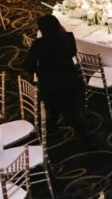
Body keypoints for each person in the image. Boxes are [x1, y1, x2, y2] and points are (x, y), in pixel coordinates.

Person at [23, 14, 92, 146]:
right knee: (63, 107)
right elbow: (71, 53)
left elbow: (28, 65)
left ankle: (87, 140)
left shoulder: (39, 44)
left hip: (51, 83)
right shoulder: (68, 37)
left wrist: (37, 70)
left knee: (71, 113)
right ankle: (52, 124)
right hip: (69, 79)